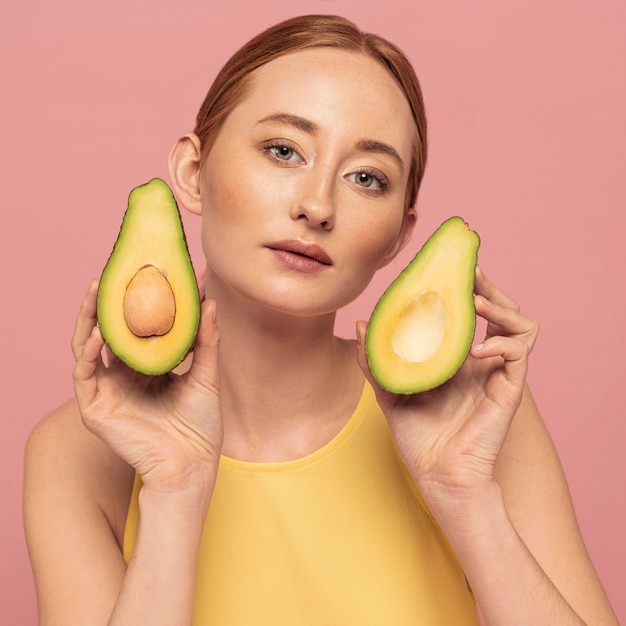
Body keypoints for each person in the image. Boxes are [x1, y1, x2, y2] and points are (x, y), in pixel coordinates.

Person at [23, 14, 618, 625]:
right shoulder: (78, 452)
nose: (317, 206)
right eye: (283, 150)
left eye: (367, 178)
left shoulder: (475, 415)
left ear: (398, 235)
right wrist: (174, 490)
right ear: (192, 172)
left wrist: (465, 497)